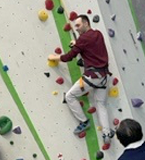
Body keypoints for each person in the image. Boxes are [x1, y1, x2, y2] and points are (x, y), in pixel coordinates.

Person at [48, 14, 114, 144]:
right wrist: (77, 43)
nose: (76, 28)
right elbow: (88, 47)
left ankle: (84, 121)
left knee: (70, 96)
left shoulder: (82, 40)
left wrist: (54, 57)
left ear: (86, 23)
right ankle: (106, 133)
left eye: (78, 25)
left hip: (91, 76)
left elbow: (68, 57)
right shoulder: (98, 34)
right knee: (101, 104)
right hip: (103, 76)